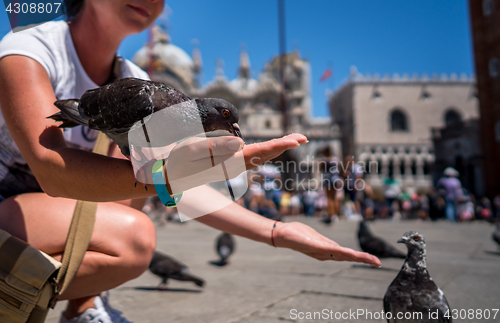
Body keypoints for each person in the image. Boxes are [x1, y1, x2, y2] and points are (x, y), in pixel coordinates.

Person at [0, 1, 380, 322]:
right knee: (134, 235)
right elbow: (53, 171)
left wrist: (275, 232)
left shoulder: (133, 77)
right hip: (12, 205)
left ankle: (82, 302)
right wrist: (183, 170)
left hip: (54, 216)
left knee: (133, 183)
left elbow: (158, 185)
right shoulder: (29, 48)